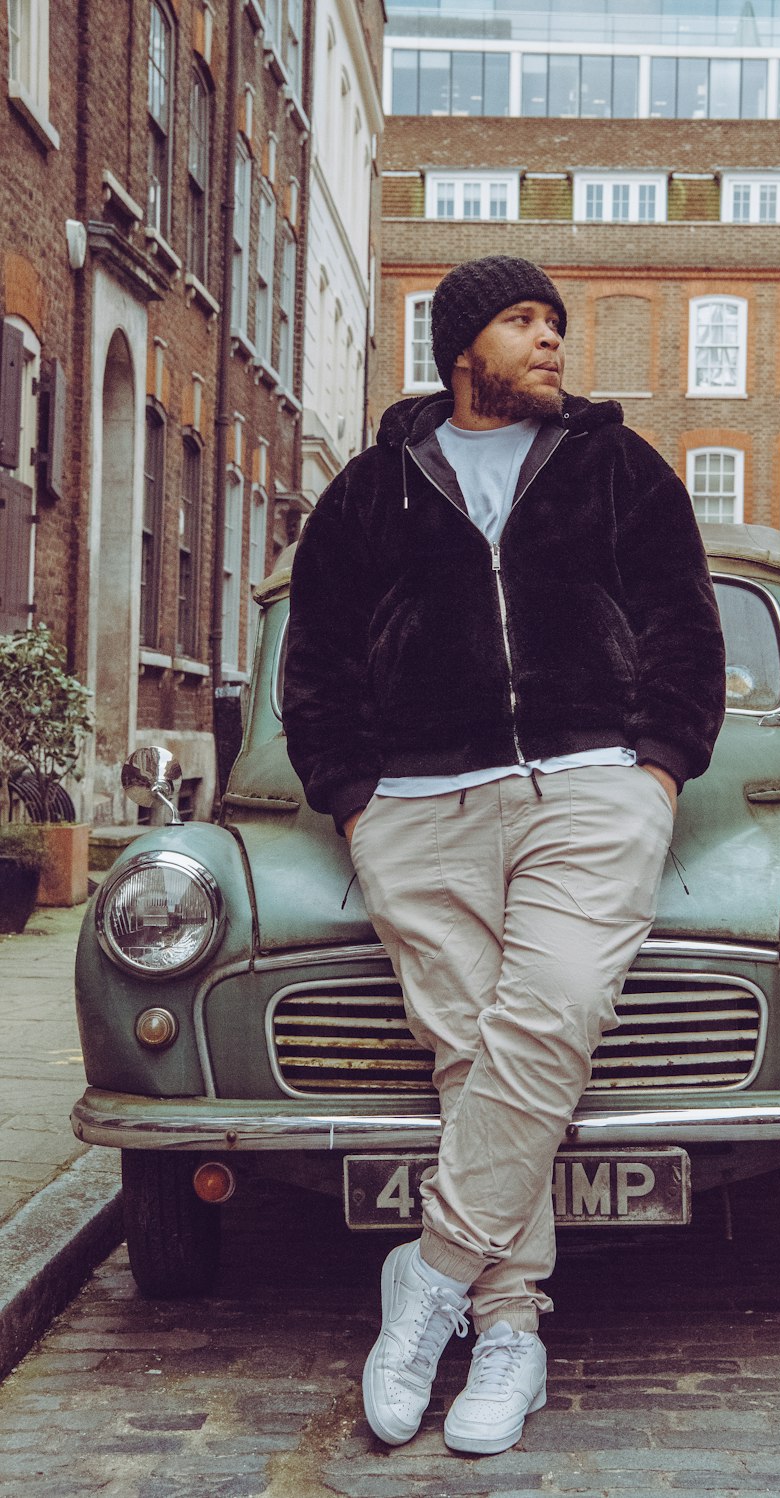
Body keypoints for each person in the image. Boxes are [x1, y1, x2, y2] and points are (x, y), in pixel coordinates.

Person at [282, 254, 727, 1455]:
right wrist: (356, 801)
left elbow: (686, 619)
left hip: (589, 790)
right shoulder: (372, 491)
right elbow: (314, 658)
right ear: (462, 346)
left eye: (555, 325)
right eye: (523, 322)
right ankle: (511, 1323)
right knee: (468, 1052)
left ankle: (425, 1285)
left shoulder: (618, 466)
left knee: (553, 1013)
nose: (550, 342)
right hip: (418, 807)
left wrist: (656, 767)